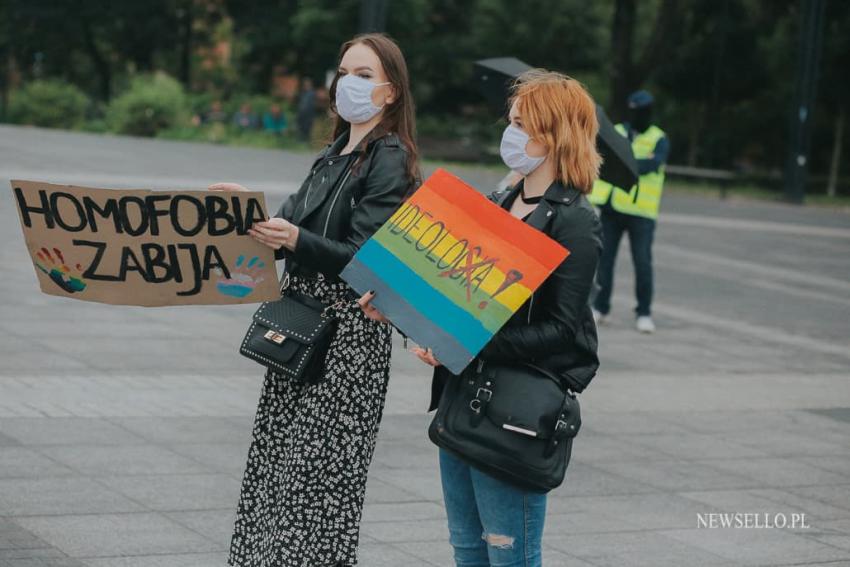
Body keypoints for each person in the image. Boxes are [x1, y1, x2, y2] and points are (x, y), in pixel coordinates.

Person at [360, 70, 602, 567]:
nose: (510, 134)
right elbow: (458, 299)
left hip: (513, 413)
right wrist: (400, 310)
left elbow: (561, 330)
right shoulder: (498, 201)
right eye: (511, 121)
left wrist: (464, 343)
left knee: (509, 553)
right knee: (467, 548)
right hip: (463, 402)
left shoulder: (575, 219)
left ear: (555, 134)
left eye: (523, 124)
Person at [210, 33, 419, 567]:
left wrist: (295, 240)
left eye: (365, 75)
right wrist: (244, 213)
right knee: (277, 465)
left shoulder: (389, 157)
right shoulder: (333, 153)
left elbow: (362, 257)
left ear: (391, 93)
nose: (348, 82)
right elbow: (283, 229)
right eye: (345, 71)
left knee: (317, 480)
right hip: (301, 326)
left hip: (347, 339)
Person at [589, 89, 669, 333]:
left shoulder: (659, 138)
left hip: (642, 213)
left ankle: (643, 312)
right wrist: (636, 160)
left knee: (642, 262)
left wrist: (624, 160)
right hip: (612, 207)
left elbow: (653, 165)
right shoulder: (619, 131)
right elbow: (601, 159)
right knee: (605, 261)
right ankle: (601, 308)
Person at [297, 78, 317, 142]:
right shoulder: (303, 93)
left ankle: (305, 142)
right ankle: (301, 142)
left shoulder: (312, 93)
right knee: (301, 128)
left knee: (307, 128)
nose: (305, 86)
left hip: (308, 114)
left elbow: (311, 105)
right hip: (302, 114)